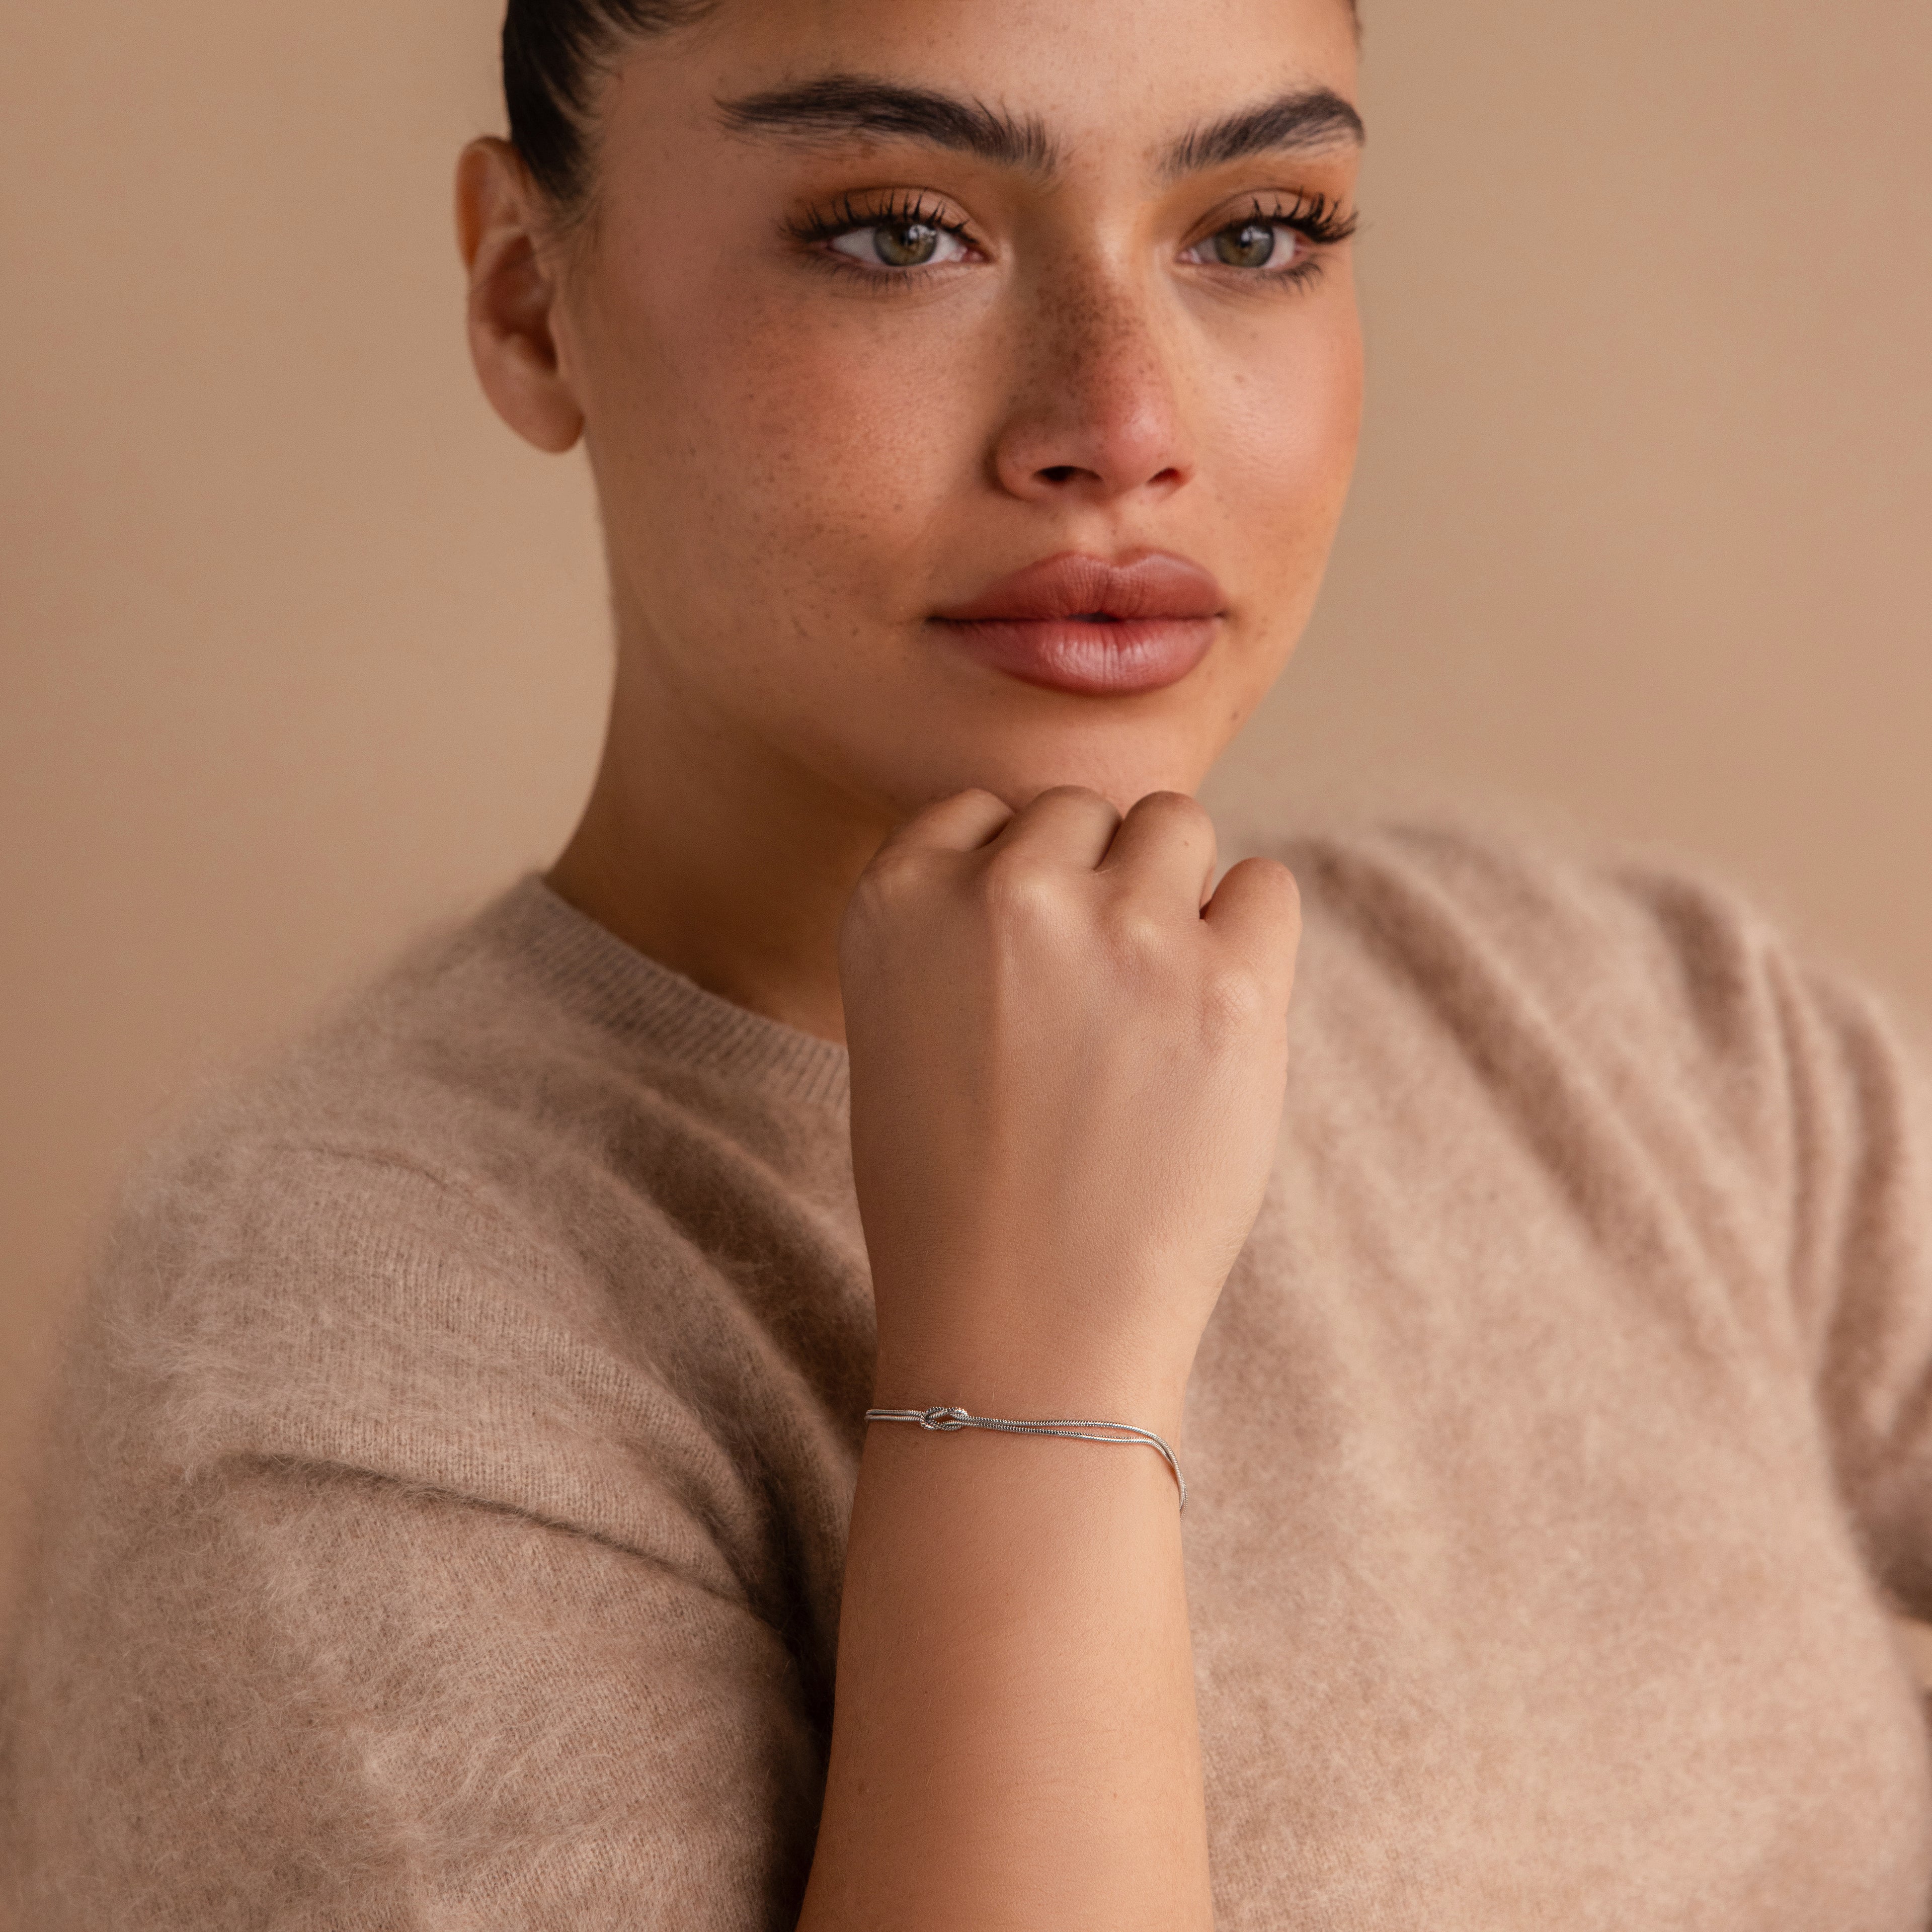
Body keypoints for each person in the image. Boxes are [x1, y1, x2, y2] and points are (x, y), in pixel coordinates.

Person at [6, 0, 1932, 1924]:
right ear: (529, 302)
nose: (1124, 430)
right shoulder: (334, 1387)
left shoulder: (1646, 1032)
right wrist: (1031, 1387)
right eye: (901, 231)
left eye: (1256, 231)